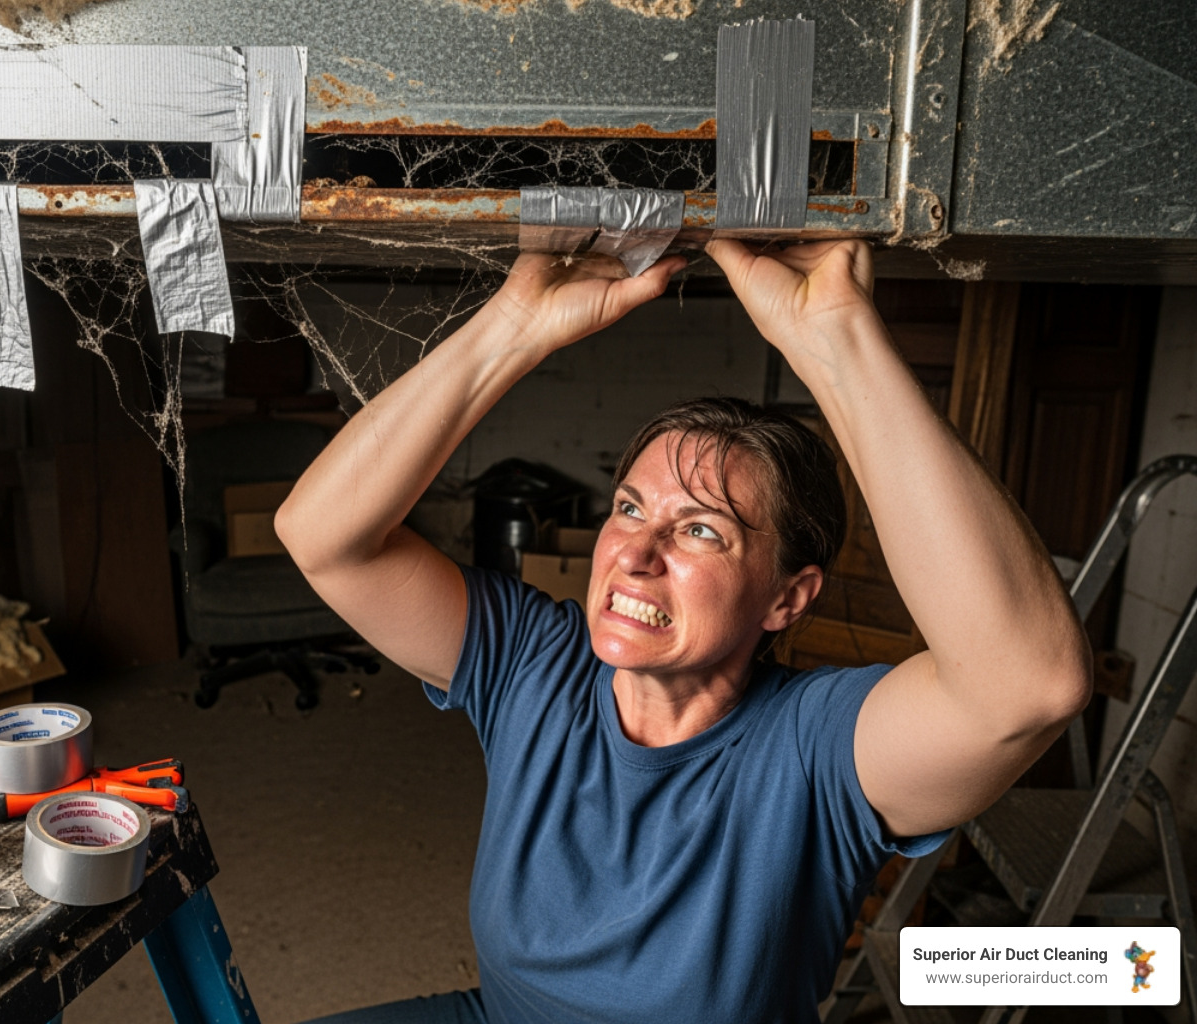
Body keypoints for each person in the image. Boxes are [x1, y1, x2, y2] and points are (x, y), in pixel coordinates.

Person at [274, 240, 1091, 1024]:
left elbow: (1026, 685)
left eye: (701, 530)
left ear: (787, 599)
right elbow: (323, 537)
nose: (634, 555)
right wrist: (516, 324)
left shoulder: (816, 750)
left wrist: (837, 336)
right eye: (630, 508)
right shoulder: (533, 663)